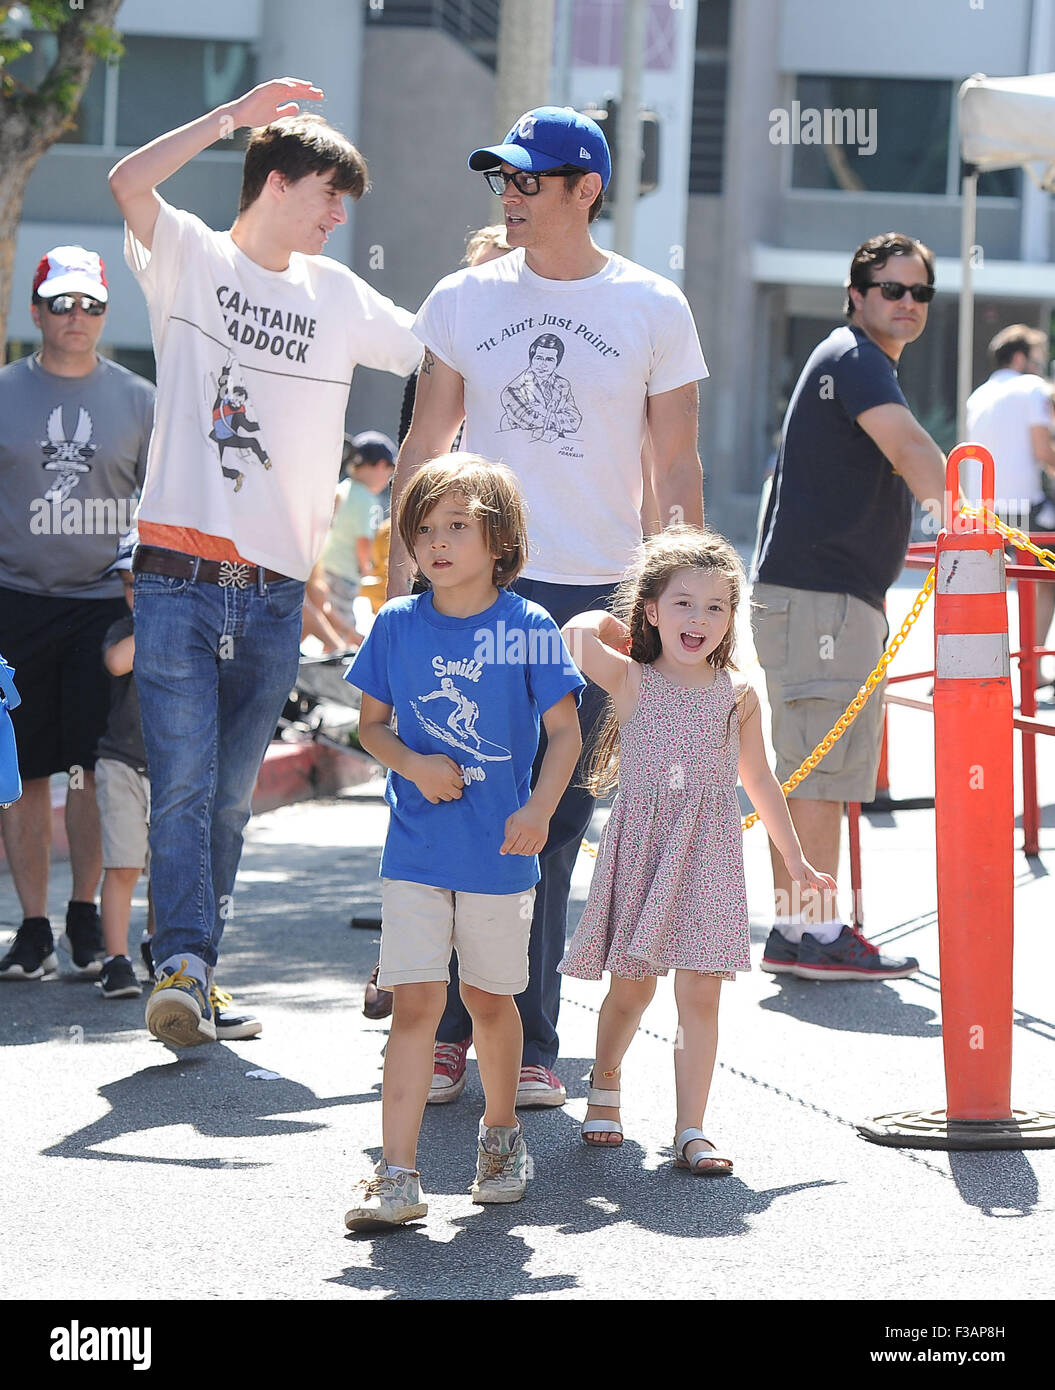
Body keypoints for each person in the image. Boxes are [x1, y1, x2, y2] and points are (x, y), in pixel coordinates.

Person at [391, 106, 707, 1109]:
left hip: (598, 593)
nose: (511, 196)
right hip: (475, 586)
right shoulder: (460, 297)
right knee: (461, 807)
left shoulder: (652, 305)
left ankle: (526, 1039)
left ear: (586, 190)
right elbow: (426, 446)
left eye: (530, 180)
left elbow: (676, 463)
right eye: (503, 181)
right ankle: (451, 1032)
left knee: (554, 815)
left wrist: (678, 599)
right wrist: (403, 585)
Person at [108, 77, 421, 1046]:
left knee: (231, 800)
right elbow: (126, 179)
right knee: (188, 784)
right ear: (275, 181)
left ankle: (196, 971)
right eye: (329, 195)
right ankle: (185, 964)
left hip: (278, 596)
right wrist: (228, 119)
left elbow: (430, 354)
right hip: (173, 579)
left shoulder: (337, 293)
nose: (338, 216)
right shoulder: (191, 257)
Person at [343, 454, 583, 1230]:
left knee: (488, 999)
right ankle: (397, 1174)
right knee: (415, 1004)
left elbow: (566, 735)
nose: (437, 542)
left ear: (498, 539)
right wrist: (412, 762)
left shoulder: (530, 627)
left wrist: (539, 811)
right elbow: (369, 727)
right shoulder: (394, 625)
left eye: (457, 526)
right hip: (414, 852)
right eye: (424, 528)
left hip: (500, 856)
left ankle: (502, 1135)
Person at [560, 528, 835, 1169]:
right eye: (683, 603)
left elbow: (759, 779)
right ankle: (605, 1084)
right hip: (646, 849)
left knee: (701, 995)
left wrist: (794, 860)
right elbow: (572, 638)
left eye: (716, 607)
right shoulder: (630, 679)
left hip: (709, 855)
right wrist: (608, 620)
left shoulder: (737, 696)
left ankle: (691, 1127)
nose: (700, 619)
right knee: (632, 989)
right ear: (652, 610)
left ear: (731, 619)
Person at [752, 232, 947, 980]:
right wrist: (974, 526)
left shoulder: (854, 360)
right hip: (819, 601)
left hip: (818, 597)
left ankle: (796, 930)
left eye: (919, 293)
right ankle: (817, 934)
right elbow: (909, 450)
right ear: (857, 293)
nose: (906, 303)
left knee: (807, 771)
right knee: (821, 775)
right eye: (892, 289)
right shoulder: (855, 360)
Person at [0, 247, 154, 982]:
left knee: (93, 770)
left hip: (103, 607)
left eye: (90, 304)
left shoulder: (137, 399)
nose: (76, 317)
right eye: (61, 304)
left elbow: (162, 510)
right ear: (35, 312)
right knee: (24, 773)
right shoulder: (4, 392)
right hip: (16, 603)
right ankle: (32, 925)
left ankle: (86, 912)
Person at [93, 536, 262, 1037]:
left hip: (185, 772)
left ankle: (175, 965)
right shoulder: (128, 627)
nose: (135, 592)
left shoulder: (210, 629)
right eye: (131, 584)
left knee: (171, 865)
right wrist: (164, 616)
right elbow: (118, 661)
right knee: (124, 866)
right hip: (124, 765)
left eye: (142, 582)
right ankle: (116, 959)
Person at [966, 324, 1055, 676]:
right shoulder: (1031, 388)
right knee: (1048, 582)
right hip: (1024, 506)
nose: (1040, 367)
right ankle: (1030, 667)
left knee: (982, 585)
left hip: (981, 508)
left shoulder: (979, 394)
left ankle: (966, 664)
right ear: (1020, 357)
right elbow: (1041, 450)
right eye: (1037, 359)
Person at [308, 429, 396, 637]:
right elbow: (363, 540)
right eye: (389, 472)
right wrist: (365, 566)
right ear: (381, 465)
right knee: (343, 621)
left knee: (323, 618)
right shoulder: (366, 499)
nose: (387, 480)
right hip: (345, 573)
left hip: (325, 566)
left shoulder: (342, 487)